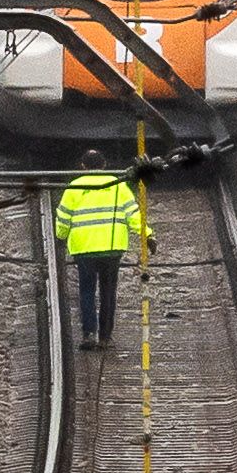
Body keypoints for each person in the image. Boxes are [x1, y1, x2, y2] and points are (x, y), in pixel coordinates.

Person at [54, 148, 149, 351]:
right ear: (104, 165)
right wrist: (148, 235)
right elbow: (133, 215)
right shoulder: (119, 186)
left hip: (84, 248)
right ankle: (105, 337)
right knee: (108, 291)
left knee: (87, 290)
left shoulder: (74, 187)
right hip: (112, 248)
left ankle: (89, 334)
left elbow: (63, 217)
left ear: (83, 166)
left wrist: (61, 237)